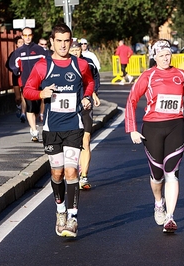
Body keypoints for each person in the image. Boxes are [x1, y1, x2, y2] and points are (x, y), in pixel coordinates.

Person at [23, 24, 94, 237]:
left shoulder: (80, 65)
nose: (63, 45)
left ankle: (72, 218)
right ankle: (60, 211)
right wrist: (41, 93)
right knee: (57, 172)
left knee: (72, 171)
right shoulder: (42, 67)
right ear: (52, 42)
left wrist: (87, 97)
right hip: (52, 129)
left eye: (67, 41)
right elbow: (27, 90)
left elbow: (89, 82)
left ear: (71, 41)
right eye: (59, 41)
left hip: (73, 126)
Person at [125, 39, 184, 233]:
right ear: (154, 57)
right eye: (162, 55)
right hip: (152, 128)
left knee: (171, 172)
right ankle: (158, 202)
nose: (166, 58)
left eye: (168, 54)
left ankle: (170, 217)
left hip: (176, 126)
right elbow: (132, 100)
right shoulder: (148, 76)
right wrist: (132, 129)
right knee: (157, 175)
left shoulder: (180, 74)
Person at [69, 40, 101, 190]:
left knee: (86, 140)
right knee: (70, 142)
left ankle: (84, 177)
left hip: (85, 105)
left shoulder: (88, 63)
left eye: (77, 50)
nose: (76, 52)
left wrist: (92, 95)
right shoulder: (63, 64)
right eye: (73, 50)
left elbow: (93, 81)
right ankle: (72, 170)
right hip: (68, 107)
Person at [8, 27, 49, 142]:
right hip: (27, 84)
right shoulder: (18, 52)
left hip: (39, 83)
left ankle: (34, 124)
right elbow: (12, 64)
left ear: (32, 36)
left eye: (29, 35)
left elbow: (48, 62)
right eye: (24, 35)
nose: (27, 38)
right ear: (22, 36)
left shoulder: (40, 50)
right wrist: (17, 70)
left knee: (36, 109)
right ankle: (34, 130)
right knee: (30, 107)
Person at [6, 35, 26, 123]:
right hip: (16, 77)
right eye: (19, 42)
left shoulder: (28, 53)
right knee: (18, 97)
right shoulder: (13, 54)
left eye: (23, 42)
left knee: (24, 95)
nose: (21, 44)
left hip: (25, 77)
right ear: (16, 44)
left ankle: (23, 113)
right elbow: (8, 65)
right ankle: (18, 106)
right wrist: (15, 70)